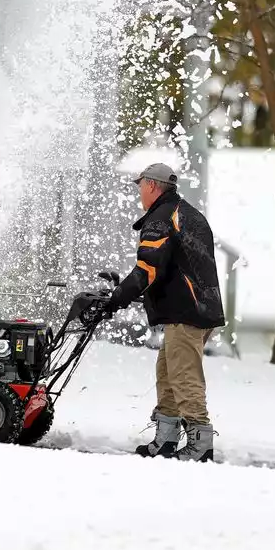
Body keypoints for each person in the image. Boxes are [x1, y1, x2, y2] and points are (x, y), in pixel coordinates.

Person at [102, 163, 226, 462]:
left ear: (153, 186)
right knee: (168, 372)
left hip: (187, 312)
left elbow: (148, 268)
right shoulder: (187, 212)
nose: (139, 192)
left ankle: (200, 443)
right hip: (198, 307)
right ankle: (167, 438)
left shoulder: (160, 218)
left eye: (141, 186)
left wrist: (117, 298)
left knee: (183, 376)